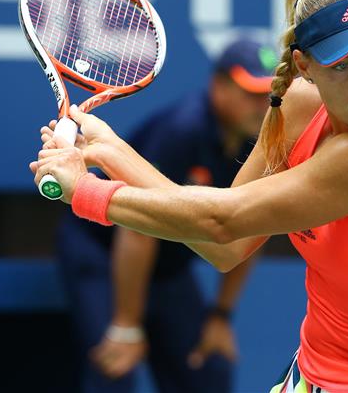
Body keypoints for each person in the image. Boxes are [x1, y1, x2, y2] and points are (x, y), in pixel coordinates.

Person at [32, 0, 348, 393]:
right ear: (305, 67)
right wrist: (107, 149)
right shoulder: (298, 110)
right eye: (342, 65)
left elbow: (221, 221)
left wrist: (84, 189)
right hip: (315, 376)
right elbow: (226, 247)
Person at [54, 38, 276, 392]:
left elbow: (251, 228)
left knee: (209, 367)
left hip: (167, 266)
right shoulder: (182, 130)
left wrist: (221, 315)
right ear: (218, 86)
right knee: (115, 369)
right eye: (250, 93)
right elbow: (138, 229)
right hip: (103, 251)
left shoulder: (261, 141)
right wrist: (127, 326)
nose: (261, 106)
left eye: (268, 95)